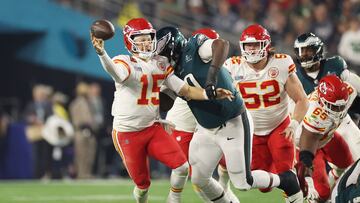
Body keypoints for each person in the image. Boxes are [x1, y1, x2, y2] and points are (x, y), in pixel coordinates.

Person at [90, 18, 233, 203]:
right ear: (129, 41)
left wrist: (209, 94)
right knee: (143, 186)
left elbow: (185, 90)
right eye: (139, 39)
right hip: (128, 133)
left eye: (148, 38)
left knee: (182, 166)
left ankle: (174, 199)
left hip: (151, 127)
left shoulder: (161, 63)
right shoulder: (123, 61)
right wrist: (102, 53)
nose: (145, 42)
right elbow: (117, 73)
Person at [157, 26, 303, 203]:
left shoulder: (195, 47)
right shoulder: (172, 70)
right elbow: (166, 102)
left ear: (172, 46)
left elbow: (221, 44)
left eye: (161, 53)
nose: (160, 58)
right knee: (199, 179)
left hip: (232, 121)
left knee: (243, 182)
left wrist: (211, 77)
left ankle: (286, 180)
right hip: (205, 127)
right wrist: (157, 81)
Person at [223, 24, 309, 202]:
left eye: (255, 45)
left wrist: (294, 124)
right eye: (248, 45)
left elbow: (302, 99)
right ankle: (291, 174)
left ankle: (295, 183)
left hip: (279, 126)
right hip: (252, 131)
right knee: (263, 187)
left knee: (286, 174)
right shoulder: (233, 66)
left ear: (266, 46)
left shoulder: (281, 63)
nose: (251, 49)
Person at [163, 28, 238, 203]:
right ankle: (175, 196)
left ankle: (225, 188)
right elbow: (172, 93)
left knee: (207, 175)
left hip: (210, 122)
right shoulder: (185, 61)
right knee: (191, 174)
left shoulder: (223, 66)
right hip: (187, 121)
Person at [294, 32, 360, 161]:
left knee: (357, 150)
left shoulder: (335, 65)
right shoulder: (294, 76)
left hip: (340, 120)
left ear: (318, 50)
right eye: (301, 51)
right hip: (313, 125)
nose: (304, 55)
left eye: (308, 50)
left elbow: (356, 83)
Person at [296, 75, 356, 202]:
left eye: (342, 106)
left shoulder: (348, 92)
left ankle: (333, 177)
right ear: (322, 101)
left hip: (328, 136)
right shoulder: (313, 113)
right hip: (305, 144)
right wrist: (308, 182)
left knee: (348, 166)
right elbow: (306, 153)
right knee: (321, 193)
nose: (339, 110)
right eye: (335, 107)